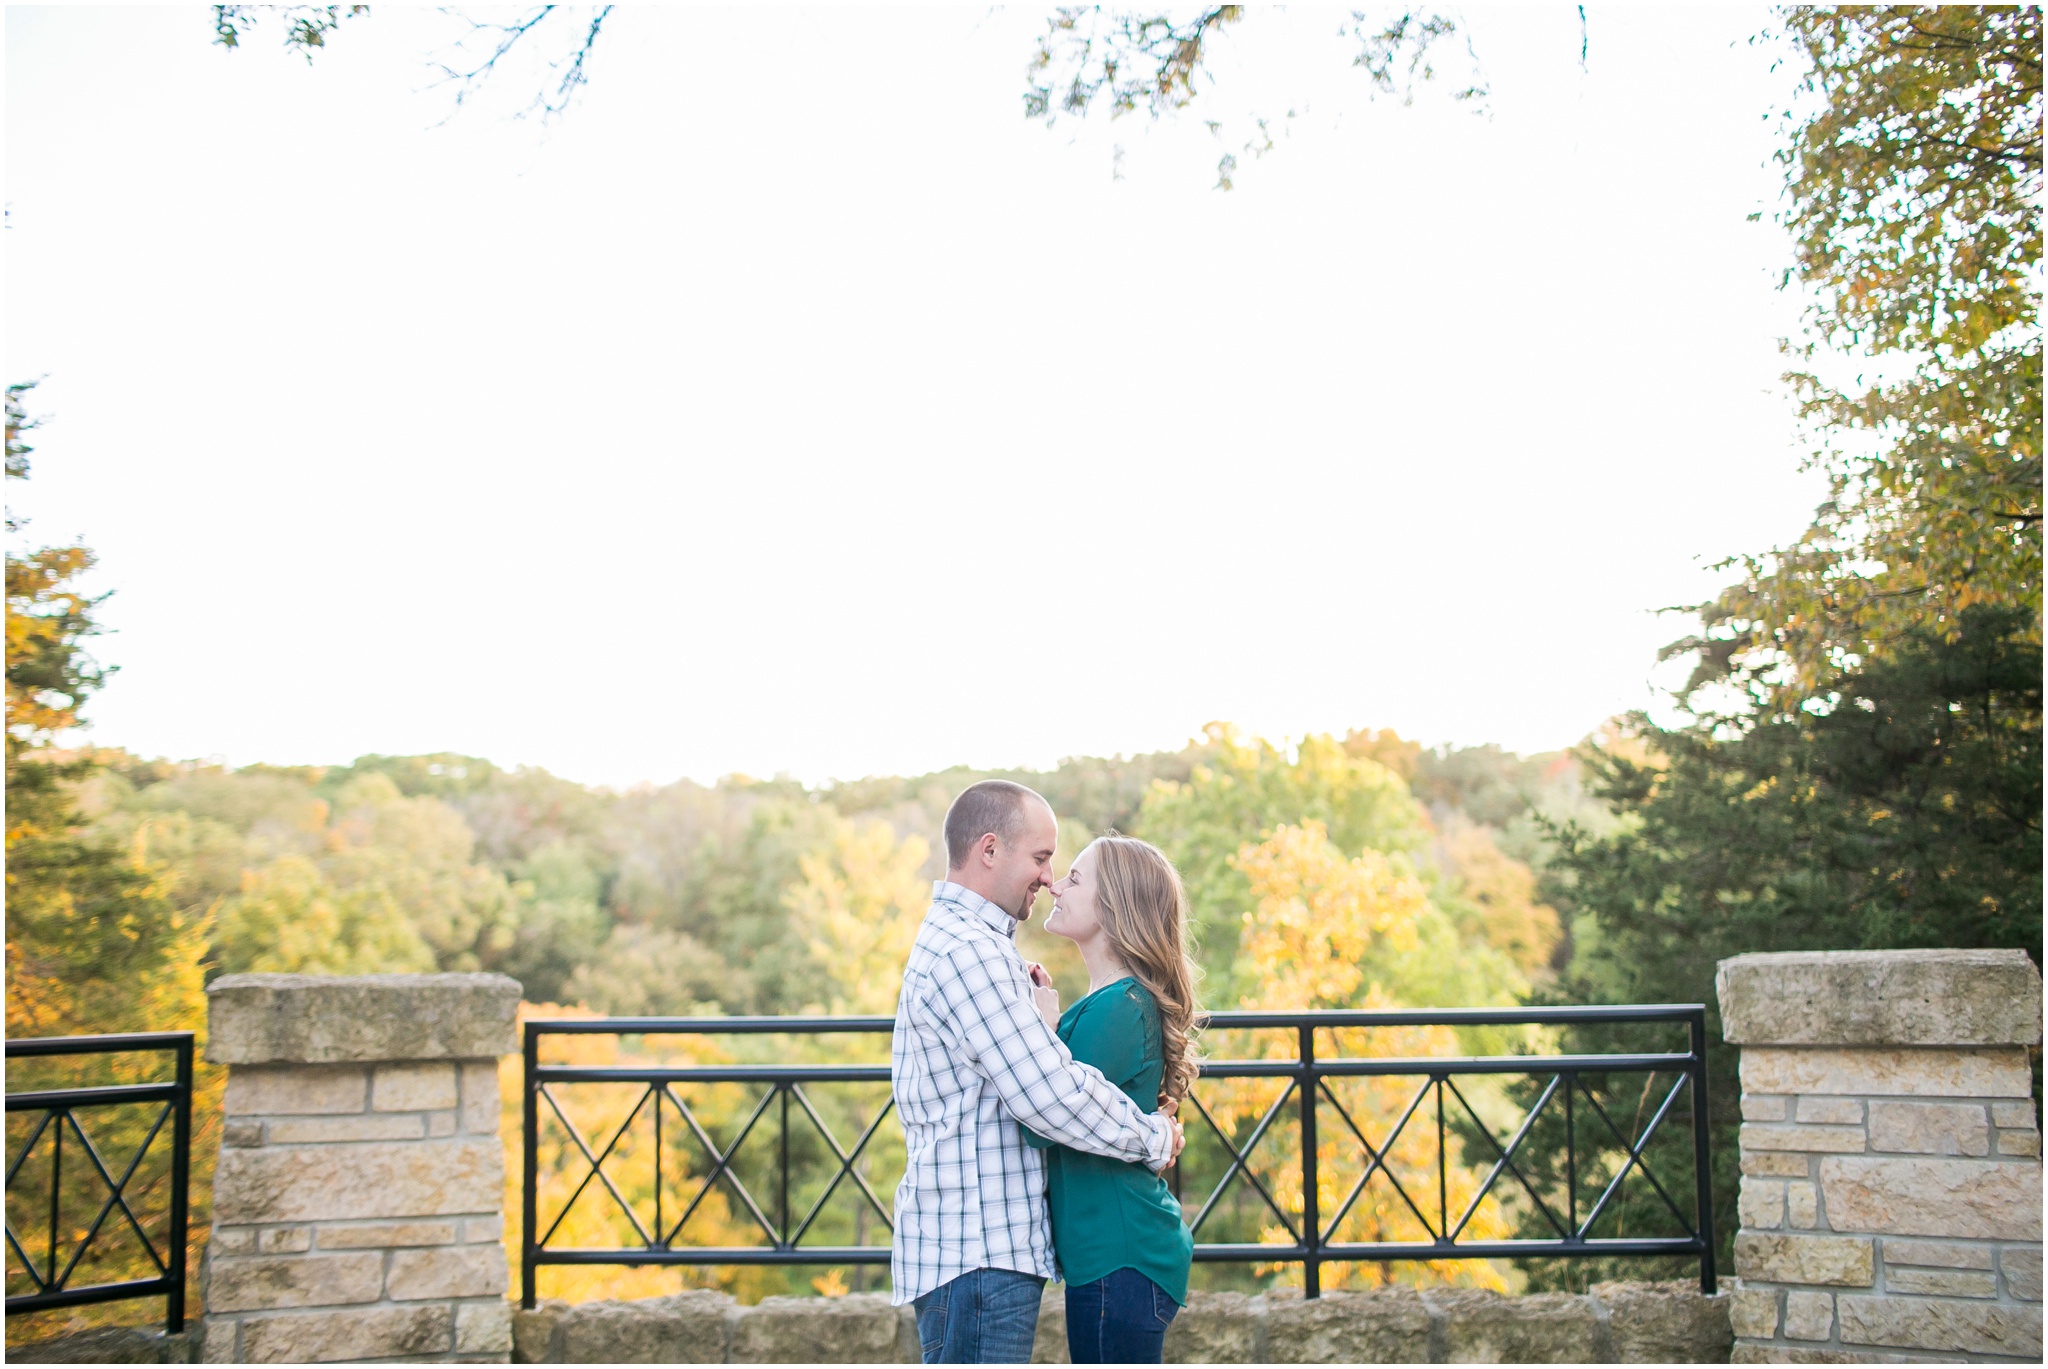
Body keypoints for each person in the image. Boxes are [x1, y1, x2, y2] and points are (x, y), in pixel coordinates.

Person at [892, 780, 1186, 1364]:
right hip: (978, 1252)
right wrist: (1153, 1135)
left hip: (984, 1253)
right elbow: (1046, 1098)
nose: (1049, 878)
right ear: (991, 850)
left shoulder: (976, 948)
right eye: (1043, 858)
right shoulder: (969, 952)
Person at [1025, 836, 1202, 1364]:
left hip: (1120, 1255)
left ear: (1116, 904)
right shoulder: (1110, 1002)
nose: (1055, 884)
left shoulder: (1121, 1008)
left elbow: (1045, 1118)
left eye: (1074, 879)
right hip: (1109, 1257)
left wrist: (1043, 1029)